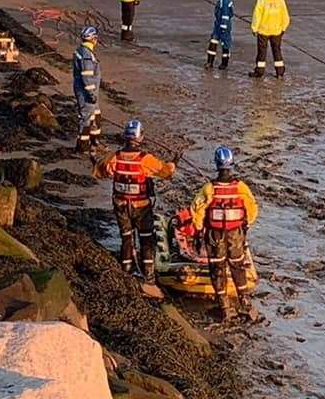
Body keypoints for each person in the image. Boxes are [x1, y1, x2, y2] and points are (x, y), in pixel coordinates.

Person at [95, 119, 176, 283]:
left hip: (120, 205)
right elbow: (166, 172)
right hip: (141, 207)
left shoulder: (114, 158)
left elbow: (98, 171)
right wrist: (173, 164)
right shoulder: (145, 160)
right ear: (140, 139)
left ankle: (126, 270)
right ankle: (149, 275)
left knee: (126, 238)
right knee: (147, 239)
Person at [190, 146, 259, 321]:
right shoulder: (241, 188)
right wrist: (247, 224)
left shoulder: (209, 189)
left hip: (215, 236)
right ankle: (245, 303)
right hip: (235, 235)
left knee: (217, 269)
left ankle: (224, 307)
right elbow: (252, 209)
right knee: (237, 267)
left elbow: (197, 210)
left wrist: (198, 231)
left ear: (216, 164)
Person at [249, 0, 290, 79]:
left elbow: (257, 15)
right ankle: (280, 72)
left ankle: (259, 71)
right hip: (277, 31)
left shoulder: (262, 0)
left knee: (262, 52)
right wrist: (283, 28)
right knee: (277, 51)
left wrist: (254, 28)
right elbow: (285, 16)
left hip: (263, 31)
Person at [72, 26, 102, 160]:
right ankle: (82, 146)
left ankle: (95, 142)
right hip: (86, 93)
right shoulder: (86, 55)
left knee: (96, 116)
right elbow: (87, 76)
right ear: (94, 39)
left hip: (89, 92)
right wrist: (91, 94)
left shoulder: (84, 52)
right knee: (86, 119)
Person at [206, 0, 234, 70]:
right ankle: (210, 62)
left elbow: (226, 14)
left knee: (225, 45)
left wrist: (223, 27)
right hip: (218, 25)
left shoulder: (224, 1)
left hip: (222, 26)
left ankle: (224, 64)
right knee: (213, 42)